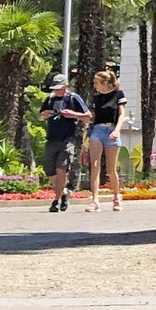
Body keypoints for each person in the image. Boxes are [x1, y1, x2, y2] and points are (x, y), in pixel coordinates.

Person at [39, 74, 91, 213]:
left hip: (68, 139)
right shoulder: (50, 98)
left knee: (61, 169)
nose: (56, 91)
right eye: (55, 88)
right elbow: (40, 115)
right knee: (49, 170)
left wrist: (73, 114)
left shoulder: (73, 98)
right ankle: (64, 194)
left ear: (66, 86)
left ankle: (56, 201)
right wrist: (46, 114)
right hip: (52, 139)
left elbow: (88, 116)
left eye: (59, 88)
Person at [85, 68, 127, 213]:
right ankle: (94, 200)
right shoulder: (95, 97)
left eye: (96, 82)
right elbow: (91, 115)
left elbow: (122, 115)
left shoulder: (118, 95)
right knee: (94, 165)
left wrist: (117, 130)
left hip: (111, 130)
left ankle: (116, 197)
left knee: (111, 168)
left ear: (104, 82)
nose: (94, 85)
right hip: (97, 130)